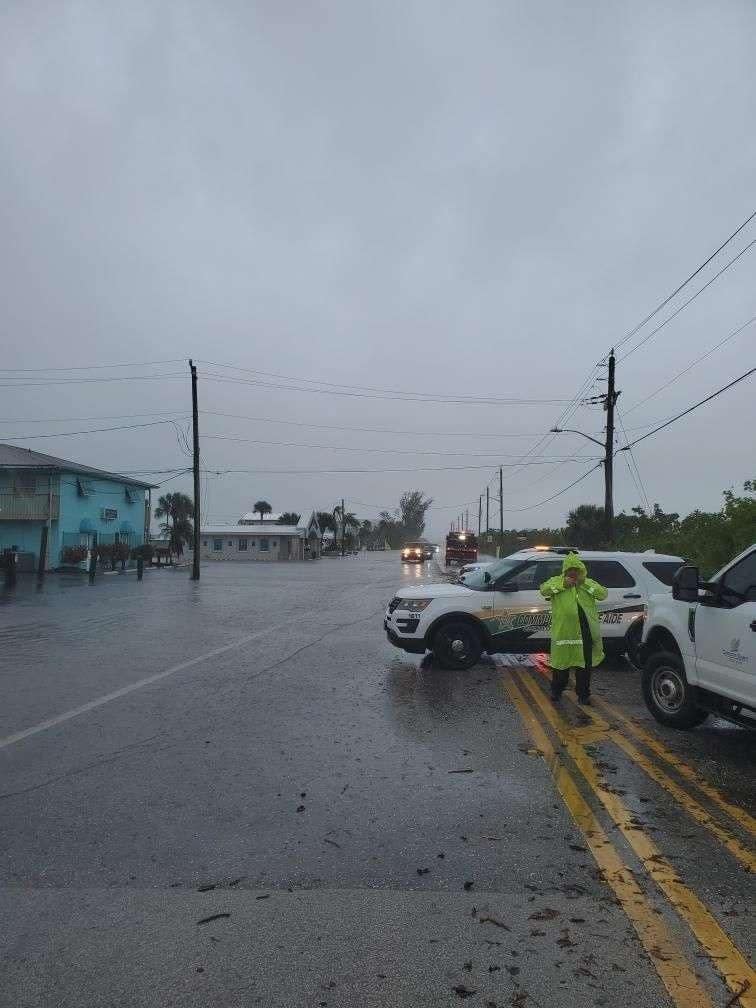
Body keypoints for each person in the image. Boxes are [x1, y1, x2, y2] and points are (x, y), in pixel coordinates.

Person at [539, 553, 608, 704]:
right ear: (565, 571)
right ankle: (556, 691)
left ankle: (584, 695)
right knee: (560, 667)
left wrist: (584, 584)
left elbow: (602, 594)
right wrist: (563, 585)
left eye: (576, 570)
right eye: (570, 570)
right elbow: (544, 590)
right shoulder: (557, 581)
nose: (573, 573)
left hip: (585, 631)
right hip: (563, 633)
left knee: (584, 668)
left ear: (581, 570)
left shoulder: (587, 583)